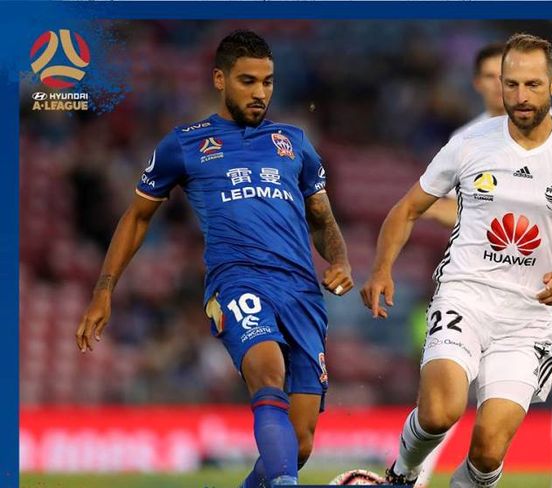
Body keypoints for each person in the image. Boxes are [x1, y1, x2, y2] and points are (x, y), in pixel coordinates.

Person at [75, 30, 353, 487]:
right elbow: (138, 217)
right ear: (220, 79)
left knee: (298, 443)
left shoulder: (294, 142)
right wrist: (104, 290)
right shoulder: (184, 143)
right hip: (237, 282)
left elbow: (321, 218)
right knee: (266, 372)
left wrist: (339, 260)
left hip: (303, 293)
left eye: (267, 82)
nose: (260, 92)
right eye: (248, 81)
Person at [361, 33, 552, 488]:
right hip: (466, 296)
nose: (520, 96)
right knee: (440, 412)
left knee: (488, 451)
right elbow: (407, 208)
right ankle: (402, 473)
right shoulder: (469, 143)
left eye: (532, 85)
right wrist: (381, 269)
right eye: (511, 84)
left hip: (528, 317)